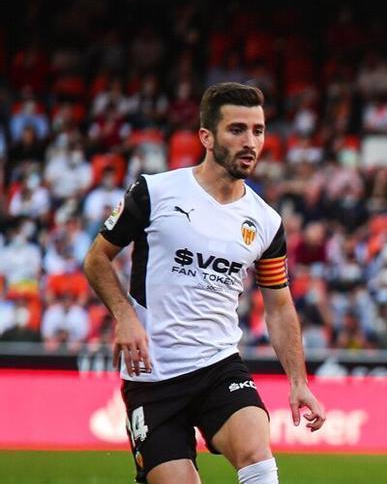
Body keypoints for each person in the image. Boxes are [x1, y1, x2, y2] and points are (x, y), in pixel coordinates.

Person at [83, 82, 326, 484]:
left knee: (257, 454)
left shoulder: (266, 222)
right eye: (237, 130)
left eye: (258, 131)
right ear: (206, 137)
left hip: (219, 367)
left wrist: (299, 382)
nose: (250, 142)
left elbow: (279, 306)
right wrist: (124, 317)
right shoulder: (155, 192)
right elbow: (96, 258)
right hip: (153, 379)